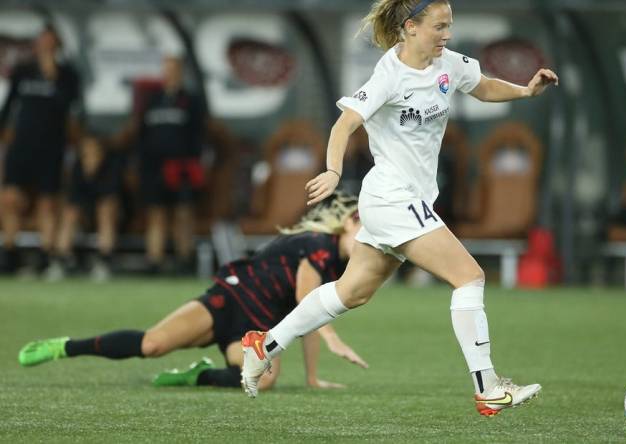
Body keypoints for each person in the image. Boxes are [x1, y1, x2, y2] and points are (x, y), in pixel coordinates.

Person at [240, 0, 558, 416]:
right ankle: (488, 388)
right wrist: (333, 171)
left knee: (350, 293)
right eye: (439, 26)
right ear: (410, 27)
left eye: (449, 25)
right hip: (391, 198)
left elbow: (480, 85)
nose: (447, 34)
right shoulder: (389, 75)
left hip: (409, 199)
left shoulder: (449, 63)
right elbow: (344, 124)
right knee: (470, 277)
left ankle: (264, 344)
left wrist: (524, 90)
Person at [18, 192, 368, 391]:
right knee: (152, 345)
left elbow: (306, 316)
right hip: (230, 299)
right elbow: (306, 297)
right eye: (366, 233)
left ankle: (195, 375)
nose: (369, 243)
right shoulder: (318, 243)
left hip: (255, 329)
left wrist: (310, 379)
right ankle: (63, 347)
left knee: (262, 380)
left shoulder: (339, 269)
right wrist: (333, 338)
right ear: (350, 222)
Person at [113, 55, 207, 274]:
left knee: (183, 214)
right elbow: (141, 135)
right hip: (153, 168)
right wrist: (138, 165)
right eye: (166, 69)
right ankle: (154, 261)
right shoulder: (151, 101)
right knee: (156, 214)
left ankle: (185, 260)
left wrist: (196, 164)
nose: (169, 73)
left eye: (173, 69)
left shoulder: (191, 101)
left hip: (182, 168)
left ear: (180, 72)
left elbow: (199, 135)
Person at [0, 24, 81, 275]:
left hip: (51, 147)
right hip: (22, 145)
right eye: (42, 41)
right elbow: (10, 105)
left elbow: (69, 105)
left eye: (50, 41)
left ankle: (46, 253)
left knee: (48, 202)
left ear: (57, 45)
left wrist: (51, 74)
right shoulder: (23, 71)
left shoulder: (67, 74)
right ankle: (10, 252)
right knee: (10, 198)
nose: (45, 45)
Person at [45, 134, 123, 282]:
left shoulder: (111, 168)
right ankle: (60, 261)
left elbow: (110, 198)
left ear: (102, 152)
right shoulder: (77, 169)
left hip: (111, 214)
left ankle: (104, 261)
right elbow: (73, 199)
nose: (90, 156)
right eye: (86, 152)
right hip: (84, 213)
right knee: (69, 214)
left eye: (94, 151)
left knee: (105, 211)